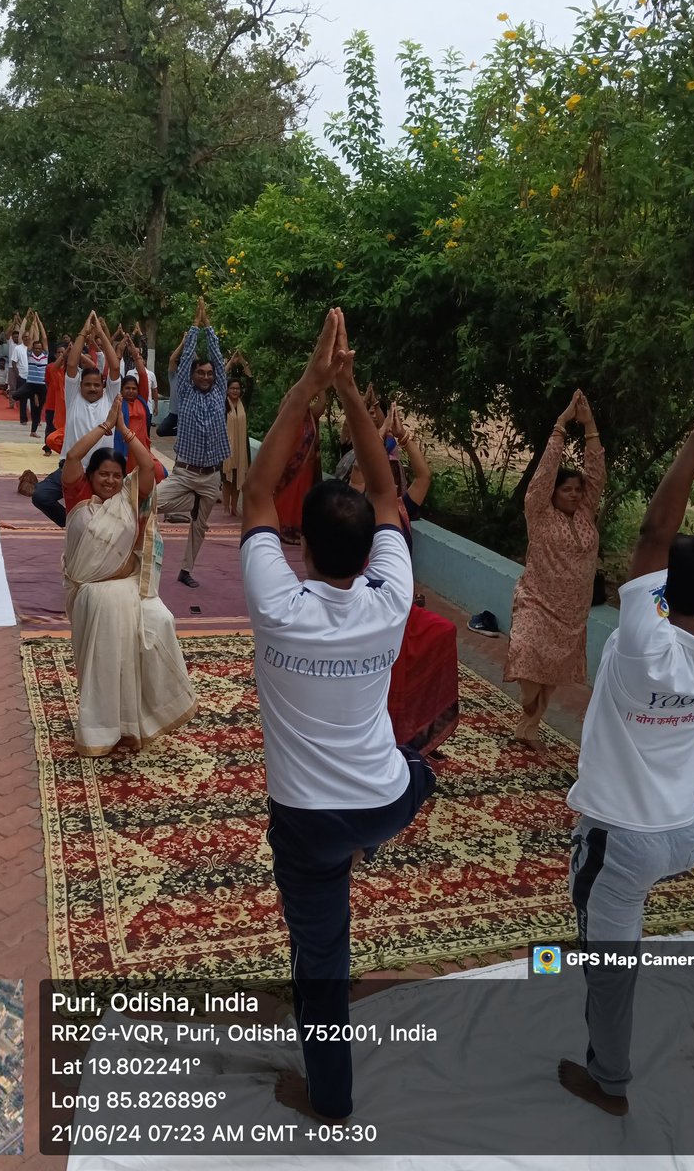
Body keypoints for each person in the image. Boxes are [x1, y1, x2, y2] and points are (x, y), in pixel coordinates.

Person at [241, 308, 437, 1123]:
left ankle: (330, 1099)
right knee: (423, 766)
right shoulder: (392, 600)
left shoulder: (278, 604)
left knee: (320, 955)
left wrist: (309, 387)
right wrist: (352, 390)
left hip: (314, 825)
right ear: (368, 551)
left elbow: (254, 489)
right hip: (390, 797)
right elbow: (388, 489)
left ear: (305, 548)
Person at [560, 382, 694, 1116]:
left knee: (607, 958)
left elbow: (659, 535)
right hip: (678, 837)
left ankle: (609, 1079)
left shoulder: (642, 641)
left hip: (621, 843)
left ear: (661, 593)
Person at [61, 394, 196, 757]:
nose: (109, 480)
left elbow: (148, 468)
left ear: (123, 480)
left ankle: (143, 719)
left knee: (159, 625)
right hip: (91, 594)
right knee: (106, 664)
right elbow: (72, 456)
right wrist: (105, 428)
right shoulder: (79, 504)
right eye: (102, 474)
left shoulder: (129, 500)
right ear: (90, 478)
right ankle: (102, 731)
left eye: (116, 475)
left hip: (130, 590)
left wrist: (125, 431)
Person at [504, 390, 605, 751]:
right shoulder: (539, 512)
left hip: (571, 613)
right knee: (527, 657)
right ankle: (528, 711)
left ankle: (527, 729)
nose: (576, 494)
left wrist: (590, 424)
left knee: (550, 675)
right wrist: (561, 426)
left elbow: (596, 472)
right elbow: (544, 475)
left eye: (579, 490)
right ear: (554, 492)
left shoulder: (585, 514)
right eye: (568, 489)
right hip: (537, 602)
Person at [381, 403, 460, 755]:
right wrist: (378, 434)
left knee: (442, 635)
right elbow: (355, 478)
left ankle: (421, 731)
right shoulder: (355, 506)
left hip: (402, 603)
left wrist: (403, 437)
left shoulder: (401, 508)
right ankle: (388, 734)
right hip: (374, 603)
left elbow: (424, 476)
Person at [155, 298, 231, 587]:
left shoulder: (218, 391)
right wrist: (195, 327)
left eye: (210, 373)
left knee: (200, 526)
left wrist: (209, 327)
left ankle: (186, 570)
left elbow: (218, 358)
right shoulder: (184, 392)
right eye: (201, 372)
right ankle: (140, 549)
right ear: (193, 376)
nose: (206, 376)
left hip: (211, 476)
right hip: (184, 474)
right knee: (149, 504)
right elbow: (186, 358)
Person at [32, 311, 121, 529]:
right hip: (71, 470)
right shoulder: (73, 397)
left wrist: (100, 333)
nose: (92, 388)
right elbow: (71, 365)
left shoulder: (110, 398)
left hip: (100, 473)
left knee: (102, 524)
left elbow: (115, 367)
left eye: (96, 384)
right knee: (41, 496)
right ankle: (70, 524)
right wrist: (83, 332)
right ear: (79, 386)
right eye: (87, 384)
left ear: (103, 386)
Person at [272, 391, 325, 544]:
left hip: (306, 466)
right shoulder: (287, 414)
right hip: (288, 465)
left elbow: (321, 404)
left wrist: (321, 385)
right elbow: (284, 403)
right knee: (286, 495)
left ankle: (298, 528)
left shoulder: (310, 415)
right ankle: (282, 527)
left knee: (302, 495)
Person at [222, 351, 254, 516]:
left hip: (242, 446)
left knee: (238, 477)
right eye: (232, 388)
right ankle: (226, 507)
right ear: (227, 390)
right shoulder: (223, 403)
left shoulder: (243, 403)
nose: (235, 391)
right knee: (227, 478)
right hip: (226, 446)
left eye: (237, 388)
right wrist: (230, 364)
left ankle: (235, 507)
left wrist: (242, 361)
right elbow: (220, 380)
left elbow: (250, 381)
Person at [12, 311, 49, 436]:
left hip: (41, 385)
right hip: (30, 384)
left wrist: (39, 322)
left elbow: (44, 338)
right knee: (16, 395)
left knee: (37, 409)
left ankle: (33, 431)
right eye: (36, 348)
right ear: (32, 348)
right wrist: (32, 324)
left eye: (40, 348)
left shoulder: (45, 355)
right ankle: (29, 397)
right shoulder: (30, 354)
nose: (38, 350)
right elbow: (32, 338)